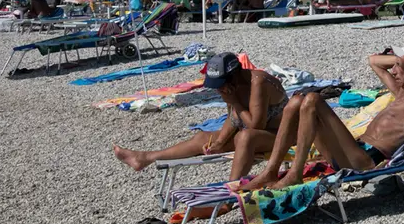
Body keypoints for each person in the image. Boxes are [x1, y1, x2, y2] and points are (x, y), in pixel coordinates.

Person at [234, 53, 404, 191]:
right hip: (350, 151)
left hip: (366, 162)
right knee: (296, 101)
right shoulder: (400, 93)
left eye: (398, 69)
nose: (393, 71)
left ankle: (294, 173)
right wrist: (400, 62)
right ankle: (270, 171)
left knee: (313, 99)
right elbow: (373, 61)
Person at [114, 53, 289, 210]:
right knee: (204, 137)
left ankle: (228, 198)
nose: (219, 90)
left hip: (282, 136)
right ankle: (145, 158)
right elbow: (234, 118)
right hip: (258, 134)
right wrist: (219, 143)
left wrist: (234, 101)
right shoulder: (233, 86)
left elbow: (255, 126)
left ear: (234, 75)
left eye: (221, 85)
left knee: (246, 137)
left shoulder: (258, 82)